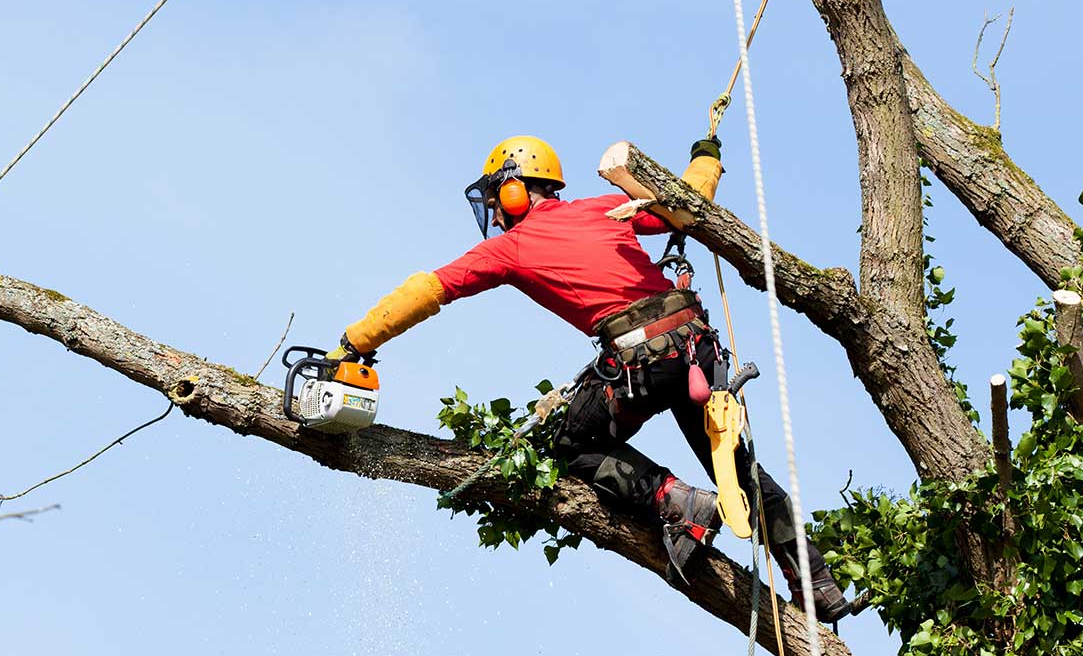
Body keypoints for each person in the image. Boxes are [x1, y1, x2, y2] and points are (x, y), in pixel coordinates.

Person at [328, 134, 866, 620]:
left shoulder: (511, 247)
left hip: (643, 361)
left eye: (497, 201)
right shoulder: (607, 207)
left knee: (569, 443)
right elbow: (688, 202)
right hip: (696, 352)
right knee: (738, 467)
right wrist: (707, 157)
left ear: (515, 192)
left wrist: (356, 341)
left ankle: (676, 501)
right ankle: (816, 581)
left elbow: (429, 289)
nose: (496, 215)